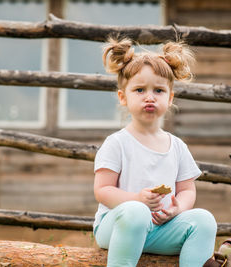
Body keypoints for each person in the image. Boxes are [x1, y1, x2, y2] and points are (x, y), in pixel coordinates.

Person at [93, 37, 217, 267]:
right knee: (136, 212)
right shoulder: (117, 143)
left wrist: (177, 208)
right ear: (123, 97)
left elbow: (187, 190)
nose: (149, 97)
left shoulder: (177, 146)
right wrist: (136, 200)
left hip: (160, 229)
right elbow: (102, 190)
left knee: (204, 221)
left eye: (158, 90)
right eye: (140, 90)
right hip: (118, 226)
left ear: (169, 98)